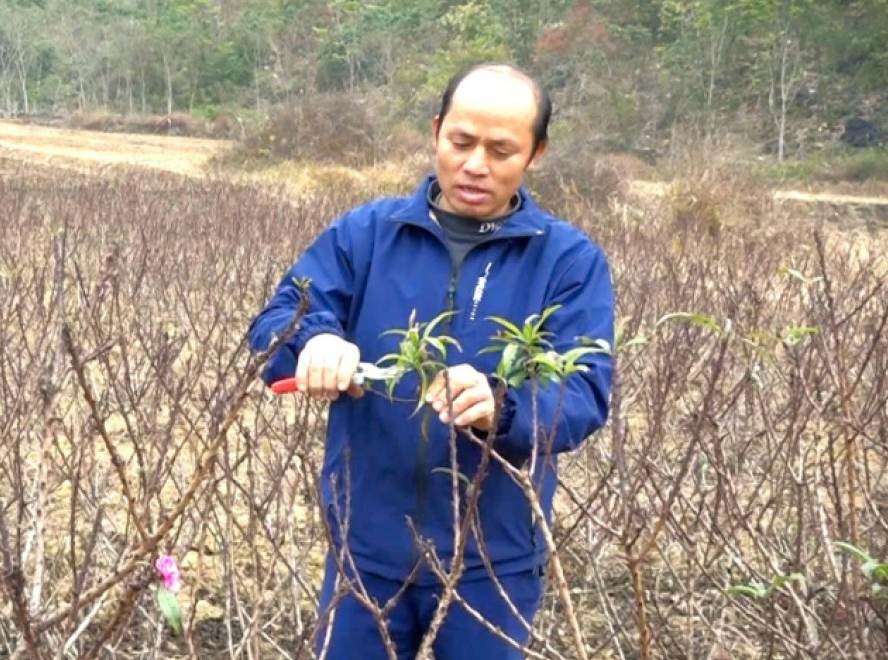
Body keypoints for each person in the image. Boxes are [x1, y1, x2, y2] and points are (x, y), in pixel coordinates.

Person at [247, 62, 615, 659]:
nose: (475, 164)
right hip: (365, 550)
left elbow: (584, 391)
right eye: (462, 141)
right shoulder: (365, 234)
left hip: (495, 564)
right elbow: (279, 318)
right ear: (437, 130)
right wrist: (312, 340)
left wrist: (503, 406)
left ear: (536, 154)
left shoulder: (568, 262)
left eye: (501, 150)